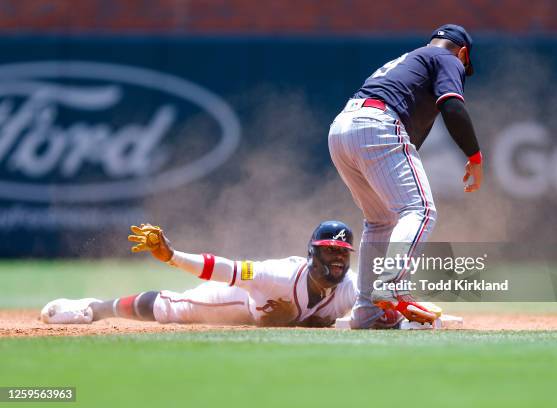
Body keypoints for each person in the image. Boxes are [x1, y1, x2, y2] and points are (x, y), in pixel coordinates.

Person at [328, 24, 482, 329]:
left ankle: (368, 311)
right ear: (463, 53)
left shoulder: (411, 60)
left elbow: (415, 134)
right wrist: (475, 156)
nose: (462, 70)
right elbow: (452, 106)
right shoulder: (448, 58)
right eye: (465, 64)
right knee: (420, 210)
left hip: (342, 128)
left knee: (380, 220)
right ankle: (393, 285)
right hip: (378, 123)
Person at [40, 221, 406, 328]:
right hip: (241, 306)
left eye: (342, 253)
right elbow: (223, 268)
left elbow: (381, 306)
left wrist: (410, 316)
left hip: (278, 320)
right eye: (329, 251)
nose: (338, 260)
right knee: (172, 306)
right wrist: (172, 255)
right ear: (312, 253)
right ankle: (94, 309)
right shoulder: (276, 275)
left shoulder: (351, 286)